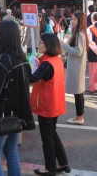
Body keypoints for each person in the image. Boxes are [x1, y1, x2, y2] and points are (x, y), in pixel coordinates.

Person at [0, 20, 35, 176]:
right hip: (16, 115)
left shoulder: (5, 59)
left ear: (3, 35)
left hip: (2, 115)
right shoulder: (21, 57)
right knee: (11, 154)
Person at [30, 33, 69, 176]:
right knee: (52, 133)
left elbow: (32, 78)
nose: (39, 44)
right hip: (55, 101)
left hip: (47, 103)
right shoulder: (56, 59)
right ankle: (64, 163)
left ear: (48, 45)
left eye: (41, 42)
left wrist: (30, 65)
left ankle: (50, 168)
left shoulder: (46, 63)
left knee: (47, 137)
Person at [61, 11, 88, 125]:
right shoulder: (79, 33)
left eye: (74, 19)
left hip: (76, 67)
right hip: (78, 66)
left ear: (80, 21)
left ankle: (79, 117)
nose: (72, 21)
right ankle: (79, 116)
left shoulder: (79, 34)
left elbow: (77, 52)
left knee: (78, 93)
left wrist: (64, 44)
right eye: (72, 19)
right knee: (79, 93)